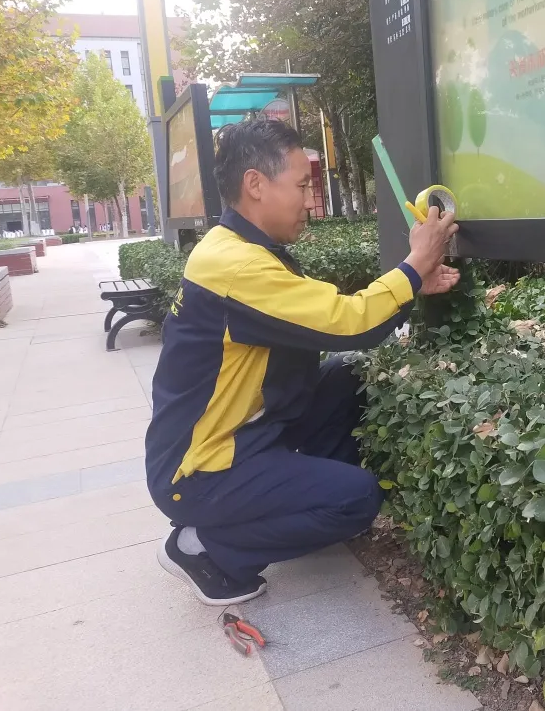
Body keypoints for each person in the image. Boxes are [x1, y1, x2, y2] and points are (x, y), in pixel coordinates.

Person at [145, 117, 460, 605]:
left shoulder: (239, 249)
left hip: (241, 436)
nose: (308, 200)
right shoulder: (239, 265)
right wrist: (415, 265)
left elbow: (326, 315)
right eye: (300, 185)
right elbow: (350, 320)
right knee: (357, 497)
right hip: (203, 469)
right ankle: (205, 548)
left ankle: (303, 502)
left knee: (344, 374)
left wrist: (415, 283)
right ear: (255, 184)